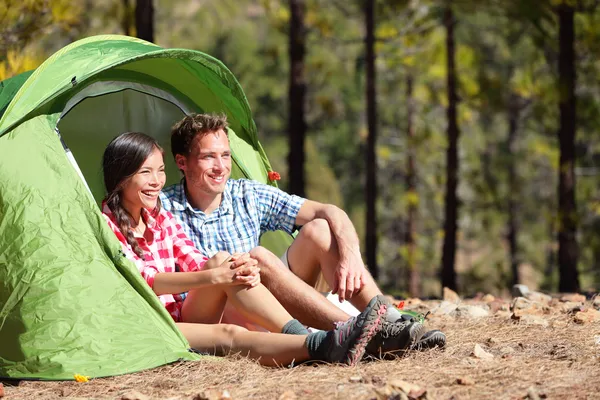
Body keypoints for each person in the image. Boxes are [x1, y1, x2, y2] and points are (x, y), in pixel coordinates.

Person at [160, 113, 446, 356]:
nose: (221, 167)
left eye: (225, 155)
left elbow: (331, 212)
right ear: (182, 162)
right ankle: (361, 331)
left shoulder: (245, 193)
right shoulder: (163, 207)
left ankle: (388, 318)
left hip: (264, 304)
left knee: (319, 230)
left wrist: (351, 256)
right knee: (252, 258)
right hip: (209, 314)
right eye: (209, 157)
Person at [100, 131, 391, 366]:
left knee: (228, 260)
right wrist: (216, 277)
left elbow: (193, 258)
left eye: (159, 172)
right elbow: (146, 282)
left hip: (191, 309)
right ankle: (330, 339)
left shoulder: (159, 213)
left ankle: (378, 322)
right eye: (145, 172)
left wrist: (230, 269)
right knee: (228, 331)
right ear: (122, 177)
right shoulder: (107, 224)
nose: (156, 182)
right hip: (157, 319)